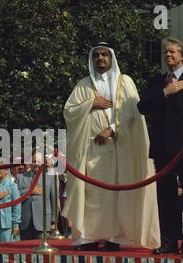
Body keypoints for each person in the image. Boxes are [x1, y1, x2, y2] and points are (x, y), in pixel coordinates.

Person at [63, 42, 160, 251]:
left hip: (119, 150)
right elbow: (69, 112)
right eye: (96, 55)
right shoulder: (83, 85)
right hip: (91, 152)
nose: (100, 58)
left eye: (104, 55)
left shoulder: (125, 83)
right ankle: (87, 237)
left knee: (117, 195)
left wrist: (113, 129)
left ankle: (116, 237)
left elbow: (133, 114)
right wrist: (90, 104)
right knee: (92, 195)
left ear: (111, 58)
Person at [138, 37, 183, 254]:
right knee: (165, 196)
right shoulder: (158, 82)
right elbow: (142, 107)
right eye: (166, 52)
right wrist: (166, 92)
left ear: (182, 56)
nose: (168, 55)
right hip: (163, 148)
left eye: (173, 52)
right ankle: (168, 240)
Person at [16, 152, 56, 240]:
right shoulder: (20, 177)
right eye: (34, 161)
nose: (36, 164)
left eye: (39, 162)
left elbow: (54, 201)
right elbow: (15, 196)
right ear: (30, 162)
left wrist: (53, 221)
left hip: (43, 222)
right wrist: (30, 191)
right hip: (25, 222)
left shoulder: (50, 178)